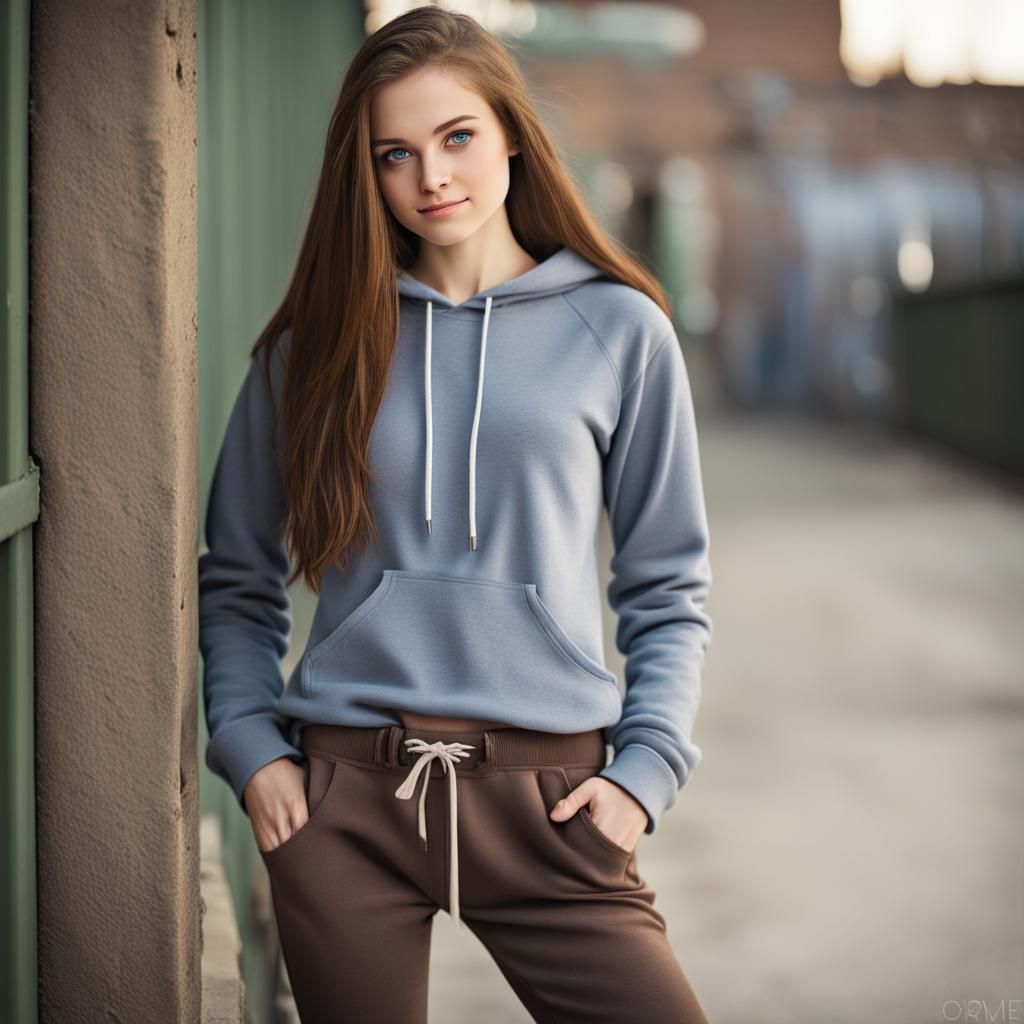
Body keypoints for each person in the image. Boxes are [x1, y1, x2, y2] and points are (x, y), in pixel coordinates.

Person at [198, 7, 713, 1022]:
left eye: (457, 137)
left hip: (552, 803)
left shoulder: (619, 328)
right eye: (396, 153)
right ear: (368, 171)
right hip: (347, 803)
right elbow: (237, 577)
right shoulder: (315, 347)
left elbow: (667, 583)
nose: (431, 177)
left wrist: (644, 769)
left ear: (512, 134)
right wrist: (253, 750)